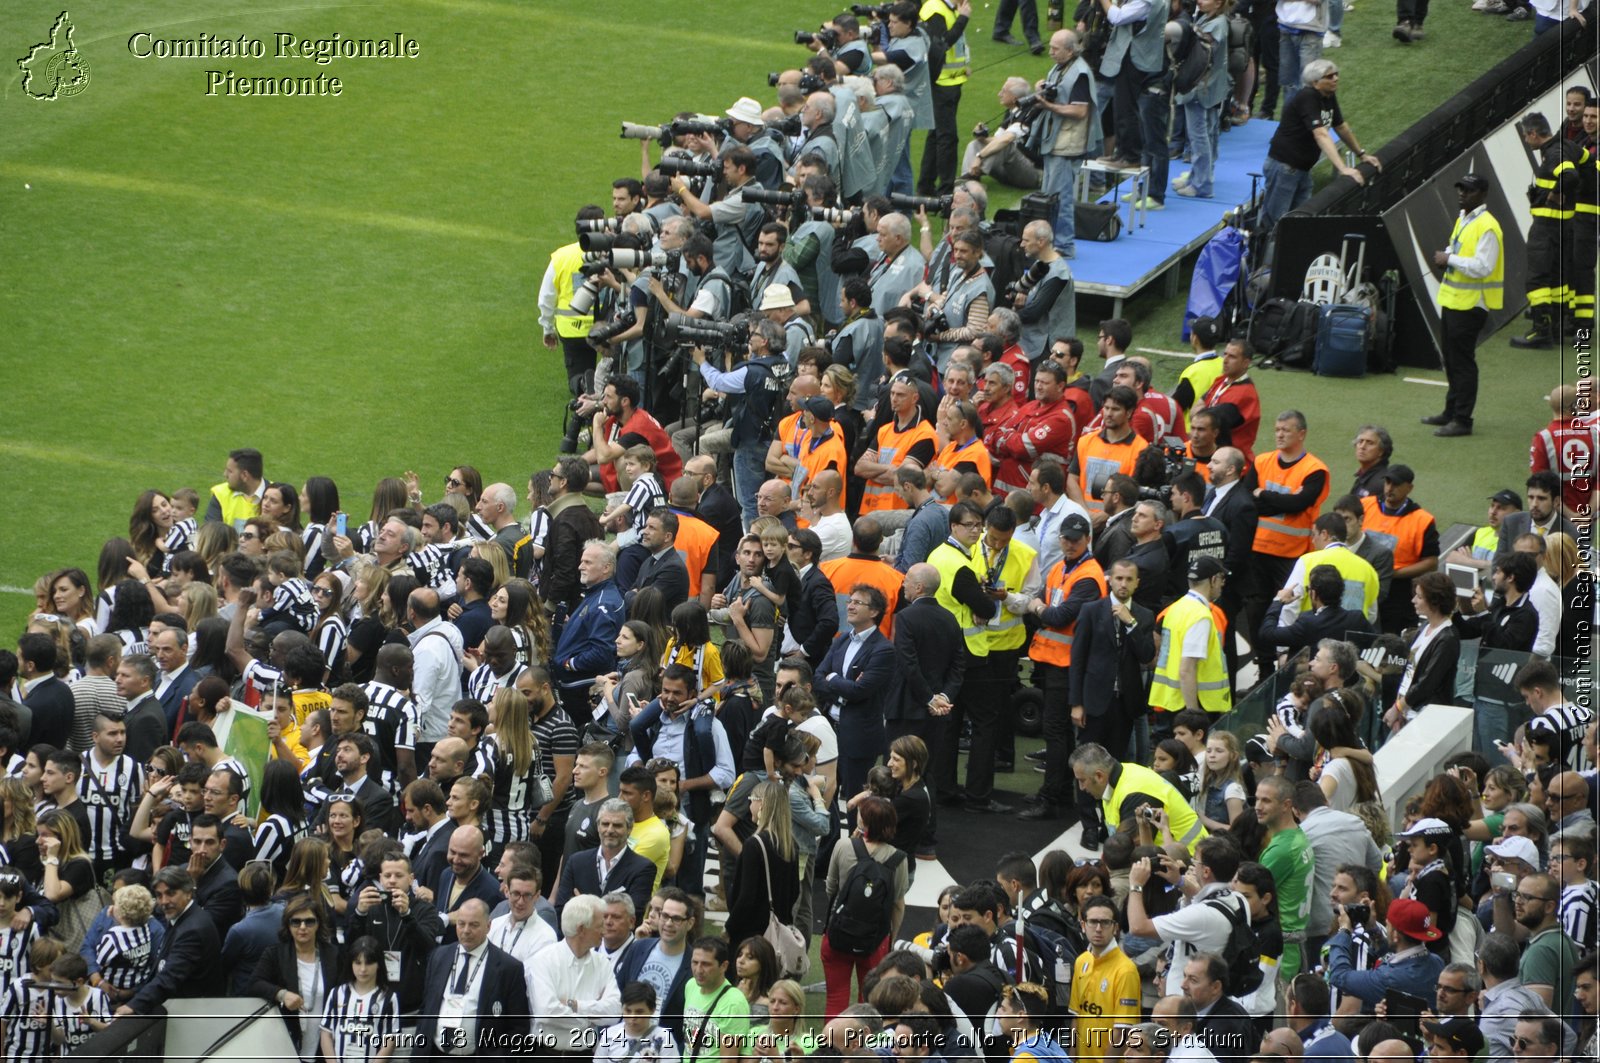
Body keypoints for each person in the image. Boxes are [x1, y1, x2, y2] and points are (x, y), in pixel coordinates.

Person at [1422, 174, 1505, 437]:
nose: (1462, 194)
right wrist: (1449, 256)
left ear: (1482, 193)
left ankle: (1462, 419)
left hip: (1472, 305)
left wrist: (1450, 259)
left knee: (1462, 362)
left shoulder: (1488, 226)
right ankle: (1451, 411)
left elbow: (1483, 266)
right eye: (1460, 189)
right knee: (1451, 358)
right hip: (1454, 300)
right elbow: (1458, 247)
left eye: (1468, 190)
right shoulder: (1464, 217)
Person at [1257, 60, 1381, 233]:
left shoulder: (1328, 96)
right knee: (1276, 223)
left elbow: (1341, 127)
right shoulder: (1307, 96)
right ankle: (1265, 258)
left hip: (1302, 169)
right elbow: (1321, 134)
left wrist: (1362, 154)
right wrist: (1343, 168)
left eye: (1336, 74)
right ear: (1315, 82)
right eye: (1329, 76)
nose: (1336, 78)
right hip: (1285, 167)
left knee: (1302, 220)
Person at [417, 896, 531, 1057]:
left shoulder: (509, 968)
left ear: (488, 926)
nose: (466, 931)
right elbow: (426, 1008)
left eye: (474, 925)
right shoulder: (438, 956)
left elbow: (518, 1027)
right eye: (461, 924)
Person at [1510, 112, 1581, 349]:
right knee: (1557, 280)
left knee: (1536, 280)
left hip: (1547, 228)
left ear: (1533, 133)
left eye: (1525, 136)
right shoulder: (1562, 148)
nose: (1525, 140)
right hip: (1562, 227)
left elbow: (1570, 176)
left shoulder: (1553, 154)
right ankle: (1556, 329)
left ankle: (1541, 331)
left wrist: (1555, 193)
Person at [250, 893, 341, 1061]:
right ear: (288, 925)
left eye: (309, 921)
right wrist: (282, 994)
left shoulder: (333, 954)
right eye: (296, 921)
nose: (303, 927)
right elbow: (255, 983)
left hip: (324, 1046)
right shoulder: (275, 954)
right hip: (287, 1042)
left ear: (318, 924)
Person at [1324, 896, 1446, 1008]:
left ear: (1395, 935)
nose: (1386, 929)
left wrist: (1344, 930)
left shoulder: (1389, 978)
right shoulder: (1436, 962)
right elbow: (1394, 948)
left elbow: (1339, 976)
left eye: (1387, 925)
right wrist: (1372, 929)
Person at [680, 935, 751, 1063]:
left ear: (723, 966)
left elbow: (728, 1060)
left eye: (706, 964)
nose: (698, 970)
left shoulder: (734, 1003)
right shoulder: (691, 985)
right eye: (695, 962)